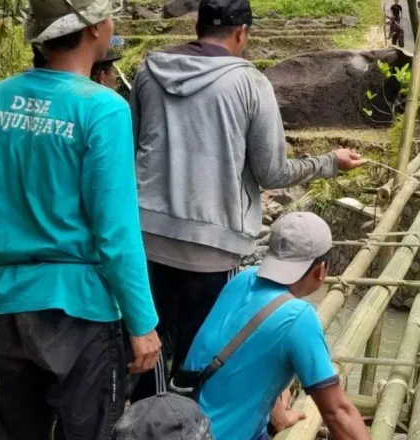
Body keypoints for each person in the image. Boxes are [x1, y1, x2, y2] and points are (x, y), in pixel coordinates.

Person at [129, 0, 365, 401]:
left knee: (148, 350)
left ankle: (146, 422)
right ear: (241, 33)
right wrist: (330, 162)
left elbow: (132, 150)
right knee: (198, 360)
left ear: (197, 25)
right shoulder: (251, 84)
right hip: (213, 248)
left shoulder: (148, 73)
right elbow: (272, 173)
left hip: (145, 238)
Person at [0, 0, 161, 438]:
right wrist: (142, 323)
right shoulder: (102, 108)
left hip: (7, 305)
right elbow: (116, 231)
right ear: (94, 27)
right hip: (79, 310)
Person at [178, 212, 369, 440]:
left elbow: (249, 357)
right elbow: (337, 413)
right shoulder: (298, 317)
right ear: (321, 269)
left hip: (182, 425)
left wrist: (275, 411)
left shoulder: (243, 279)